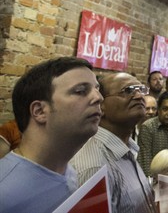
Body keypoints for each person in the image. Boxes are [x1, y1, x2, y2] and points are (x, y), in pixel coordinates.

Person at [0, 57, 103, 212]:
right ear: (40, 111)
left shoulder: (69, 173)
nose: (99, 98)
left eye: (97, 89)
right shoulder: (4, 192)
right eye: (81, 91)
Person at [71, 72, 155, 213]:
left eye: (141, 90)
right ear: (100, 105)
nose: (139, 96)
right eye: (128, 91)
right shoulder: (94, 167)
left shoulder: (126, 149)